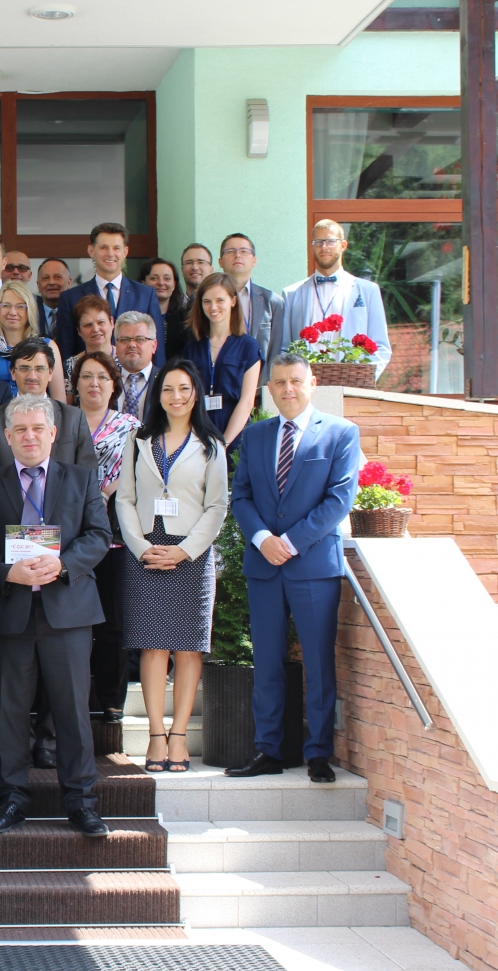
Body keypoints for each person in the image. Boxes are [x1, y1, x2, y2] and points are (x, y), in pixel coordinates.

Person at [0, 393, 111, 839]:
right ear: (7, 436)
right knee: (9, 713)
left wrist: (63, 563)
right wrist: (5, 571)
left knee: (72, 711)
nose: (29, 437)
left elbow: (99, 535)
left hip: (66, 611)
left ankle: (81, 802)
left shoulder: (82, 479)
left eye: (37, 429)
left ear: (53, 434)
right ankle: (11, 798)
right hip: (9, 612)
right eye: (20, 430)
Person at [227, 351, 361, 783]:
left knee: (318, 663)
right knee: (266, 662)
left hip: (314, 566)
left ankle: (318, 753)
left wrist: (289, 542)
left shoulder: (340, 433)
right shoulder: (256, 435)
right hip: (264, 565)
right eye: (280, 382)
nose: (288, 389)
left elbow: (339, 500)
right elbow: (241, 496)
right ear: (269, 389)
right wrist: (262, 539)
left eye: (296, 381)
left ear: (312, 383)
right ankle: (268, 749)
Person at [114, 360, 228, 774]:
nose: (175, 397)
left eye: (183, 389)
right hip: (146, 549)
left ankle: (179, 736)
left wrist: (185, 551)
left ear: (195, 394)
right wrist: (141, 546)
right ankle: (156, 735)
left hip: (191, 553)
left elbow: (217, 506)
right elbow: (125, 498)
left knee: (188, 646)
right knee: (153, 645)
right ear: (157, 396)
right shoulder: (139, 440)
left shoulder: (211, 445)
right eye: (167, 389)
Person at [70, 350, 141, 726]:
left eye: (102, 377)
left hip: (115, 533)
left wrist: (107, 491)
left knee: (113, 622)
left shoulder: (130, 425)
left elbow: (142, 471)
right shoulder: (62, 422)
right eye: (86, 376)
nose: (94, 383)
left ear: (114, 385)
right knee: (71, 622)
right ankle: (73, 697)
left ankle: (112, 700)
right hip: (70, 534)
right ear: (75, 384)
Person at [277, 219, 391, 378]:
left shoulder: (368, 290)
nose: (324, 247)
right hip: (304, 386)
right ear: (312, 247)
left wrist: (362, 380)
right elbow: (284, 348)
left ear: (343, 245)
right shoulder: (291, 293)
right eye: (318, 242)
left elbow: (381, 347)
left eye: (330, 241)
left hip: (352, 384)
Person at [0, 339, 99, 474]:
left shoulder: (74, 418)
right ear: (13, 373)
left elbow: (87, 474)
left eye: (40, 369)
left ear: (50, 373)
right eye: (24, 368)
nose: (32, 376)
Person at [54, 224, 166, 362]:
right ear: (91, 250)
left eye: (116, 248)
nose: (110, 253)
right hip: (88, 373)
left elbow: (157, 347)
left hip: (135, 374)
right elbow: (66, 352)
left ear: (125, 252)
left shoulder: (145, 295)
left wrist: (159, 375)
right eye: (103, 247)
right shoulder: (70, 298)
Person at [182, 272, 263, 448]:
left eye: (220, 300)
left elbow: (247, 402)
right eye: (207, 301)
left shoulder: (248, 346)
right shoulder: (191, 349)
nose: (213, 307)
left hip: (235, 435)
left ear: (233, 301)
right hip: (197, 436)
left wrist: (223, 444)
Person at [0, 280, 64, 398]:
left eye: (20, 306)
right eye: (6, 305)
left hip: (36, 409)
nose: (12, 312)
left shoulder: (48, 346)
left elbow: (59, 401)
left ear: (30, 310)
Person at [217, 233, 281, 361]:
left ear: (254, 261)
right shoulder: (205, 299)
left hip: (261, 372)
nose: (237, 255)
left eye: (244, 251)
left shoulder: (273, 301)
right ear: (220, 262)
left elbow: (276, 350)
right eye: (230, 251)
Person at [113, 310, 161, 419]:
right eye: (124, 340)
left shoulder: (165, 381)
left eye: (140, 339)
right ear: (116, 345)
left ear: (154, 345)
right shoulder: (106, 379)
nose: (132, 345)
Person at [141, 258, 191, 360]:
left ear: (174, 284)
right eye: (154, 278)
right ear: (143, 283)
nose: (161, 283)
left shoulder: (185, 318)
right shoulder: (136, 316)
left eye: (167, 279)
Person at [72, 294, 115, 368]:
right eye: (88, 325)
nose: (95, 329)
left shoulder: (126, 360)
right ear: (79, 330)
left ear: (111, 323)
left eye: (101, 322)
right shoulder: (71, 366)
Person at [35, 258, 72, 337]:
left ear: (69, 282)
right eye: (46, 278)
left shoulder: (77, 313)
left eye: (57, 277)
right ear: (38, 285)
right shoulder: (29, 314)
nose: (51, 282)